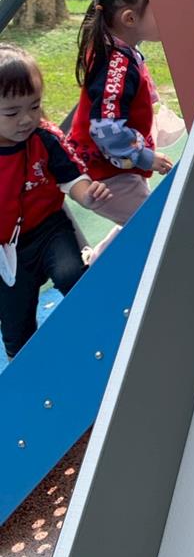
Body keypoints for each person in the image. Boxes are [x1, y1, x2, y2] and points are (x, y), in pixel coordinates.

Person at [0, 44, 112, 358]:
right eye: (12, 112)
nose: (26, 119)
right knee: (16, 326)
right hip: (7, 250)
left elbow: (72, 177)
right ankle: (26, 366)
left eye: (34, 106)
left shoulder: (44, 138)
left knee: (72, 274)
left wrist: (87, 195)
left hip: (49, 230)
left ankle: (105, 331)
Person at [67, 0, 173, 236]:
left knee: (141, 222)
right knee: (156, 229)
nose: (167, 13)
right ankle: (101, 259)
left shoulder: (119, 49)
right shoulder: (116, 65)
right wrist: (144, 156)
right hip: (105, 175)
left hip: (116, 166)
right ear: (130, 19)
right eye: (158, 8)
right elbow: (107, 128)